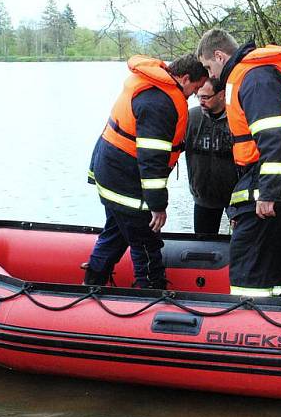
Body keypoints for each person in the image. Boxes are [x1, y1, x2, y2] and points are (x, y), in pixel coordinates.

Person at [196, 29, 281, 296]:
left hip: (276, 183)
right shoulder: (258, 73)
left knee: (248, 261)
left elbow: (274, 136)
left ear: (219, 56)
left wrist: (268, 192)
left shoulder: (255, 78)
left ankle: (248, 325)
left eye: (209, 66)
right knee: (279, 259)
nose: (210, 76)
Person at [83, 54, 208, 288]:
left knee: (115, 233)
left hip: (110, 173)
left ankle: (92, 283)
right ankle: (151, 292)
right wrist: (157, 206)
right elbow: (152, 159)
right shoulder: (160, 103)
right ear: (185, 78)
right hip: (125, 181)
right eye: (195, 88)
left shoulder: (153, 90)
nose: (193, 95)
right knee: (146, 242)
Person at [184, 78, 237, 234]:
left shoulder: (238, 119)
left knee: (244, 245)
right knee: (203, 244)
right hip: (203, 197)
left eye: (206, 97)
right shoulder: (191, 118)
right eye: (198, 96)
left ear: (221, 95)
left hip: (236, 198)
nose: (201, 101)